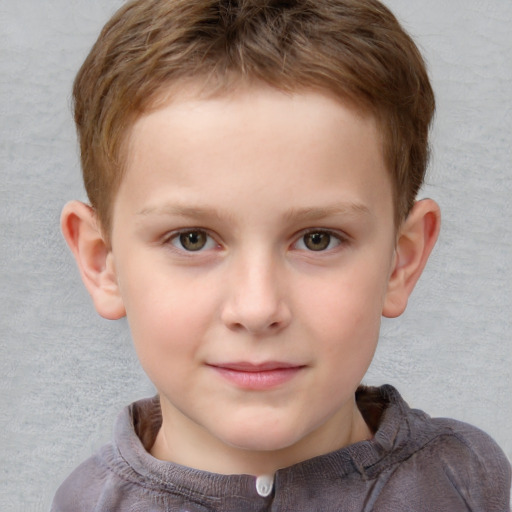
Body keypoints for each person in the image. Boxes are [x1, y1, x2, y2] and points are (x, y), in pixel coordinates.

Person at [51, 0, 511, 510]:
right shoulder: (85, 503)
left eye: (318, 239)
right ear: (102, 263)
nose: (257, 308)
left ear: (400, 261)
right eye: (192, 239)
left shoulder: (471, 482)